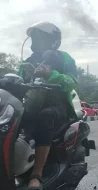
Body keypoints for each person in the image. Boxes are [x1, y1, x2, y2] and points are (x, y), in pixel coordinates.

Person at [18, 22, 77, 190]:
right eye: (33, 38)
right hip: (31, 104)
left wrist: (49, 74)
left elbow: (72, 82)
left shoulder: (65, 58)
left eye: (38, 38)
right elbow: (17, 80)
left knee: (45, 117)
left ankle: (37, 174)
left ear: (52, 41)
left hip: (58, 105)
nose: (34, 42)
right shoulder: (28, 61)